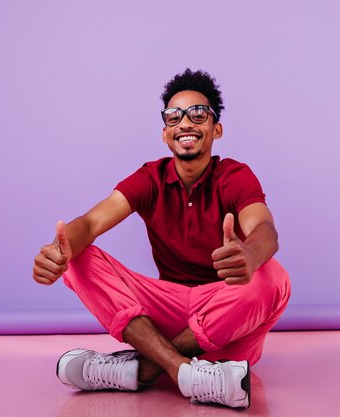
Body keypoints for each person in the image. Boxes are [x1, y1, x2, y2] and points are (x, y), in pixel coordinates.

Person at [32, 69, 291, 409]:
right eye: (174, 116)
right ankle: (184, 371)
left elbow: (265, 230)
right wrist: (59, 250)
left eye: (198, 114)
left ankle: (140, 368)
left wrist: (251, 254)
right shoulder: (150, 177)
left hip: (227, 319)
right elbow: (92, 222)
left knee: (274, 277)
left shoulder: (235, 176)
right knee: (77, 257)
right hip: (167, 310)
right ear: (166, 133)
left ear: (216, 129)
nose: (185, 122)